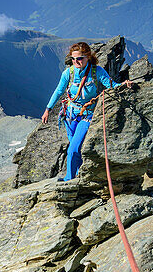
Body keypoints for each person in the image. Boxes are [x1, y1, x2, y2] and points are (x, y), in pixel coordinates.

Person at [41, 41, 133, 181]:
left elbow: (112, 85)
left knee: (73, 149)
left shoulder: (97, 72)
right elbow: (59, 91)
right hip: (69, 115)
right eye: (73, 59)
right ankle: (79, 175)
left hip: (87, 115)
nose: (76, 61)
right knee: (75, 147)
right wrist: (48, 109)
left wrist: (124, 85)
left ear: (88, 57)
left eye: (79, 58)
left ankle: (69, 179)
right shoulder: (69, 73)